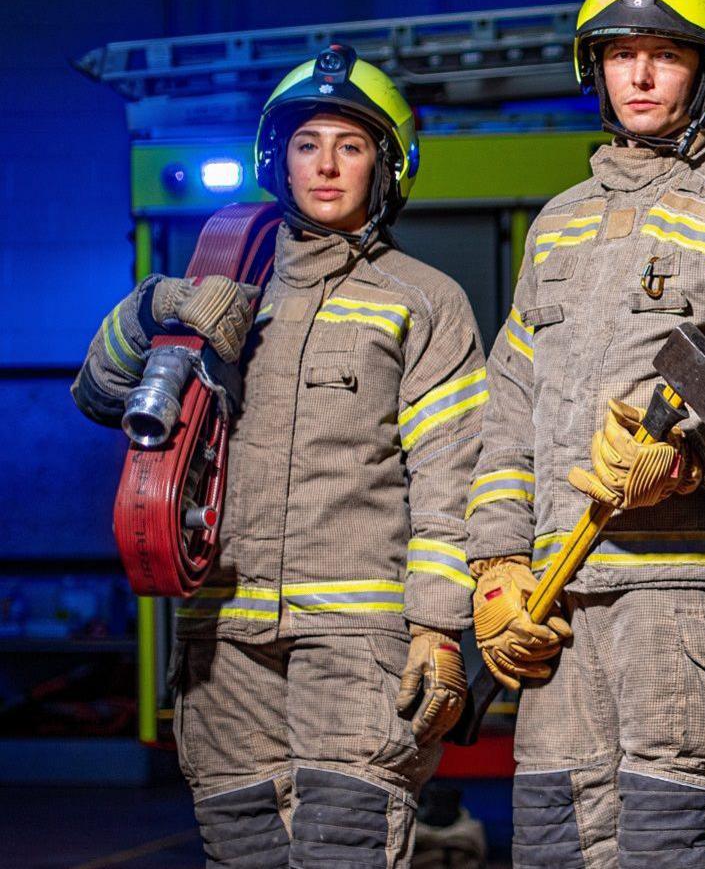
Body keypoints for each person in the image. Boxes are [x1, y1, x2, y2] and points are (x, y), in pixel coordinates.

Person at [74, 44, 484, 867]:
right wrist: (157, 306)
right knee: (243, 853)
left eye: (351, 144)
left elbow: (453, 473)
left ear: (387, 165)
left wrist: (440, 625)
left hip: (357, 646)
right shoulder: (223, 284)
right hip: (222, 641)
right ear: (278, 159)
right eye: (306, 144)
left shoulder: (424, 301)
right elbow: (97, 395)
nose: (326, 165)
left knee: (345, 850)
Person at [461, 0, 705, 869]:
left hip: (687, 603)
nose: (641, 74)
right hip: (559, 604)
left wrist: (695, 454)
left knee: (677, 846)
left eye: (666, 54)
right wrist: (498, 568)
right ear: (596, 68)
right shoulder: (559, 222)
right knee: (553, 844)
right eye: (621, 54)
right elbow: (509, 411)